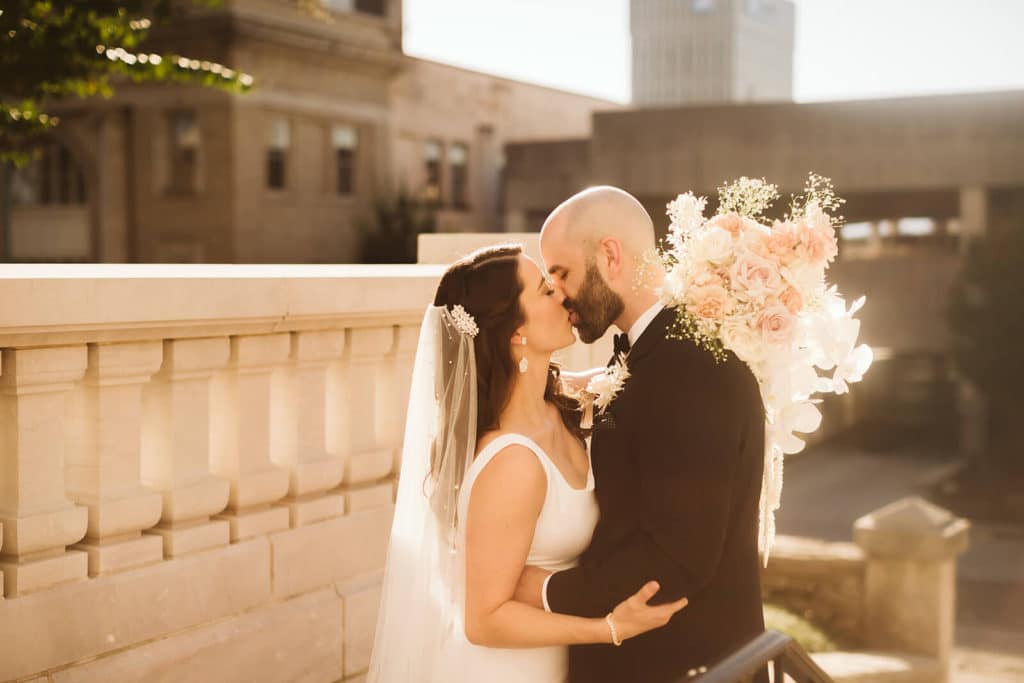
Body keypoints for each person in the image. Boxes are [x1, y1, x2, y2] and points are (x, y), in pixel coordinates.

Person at [367, 244, 688, 683]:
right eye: (545, 290)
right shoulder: (512, 461)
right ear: (516, 330)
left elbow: (645, 374)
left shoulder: (563, 406)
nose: (562, 294)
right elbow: (484, 620)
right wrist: (609, 628)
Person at [513, 186, 769, 683]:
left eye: (561, 272)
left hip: (684, 665)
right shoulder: (646, 354)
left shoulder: (692, 371)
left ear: (610, 255)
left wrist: (545, 590)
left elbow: (676, 558)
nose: (558, 291)